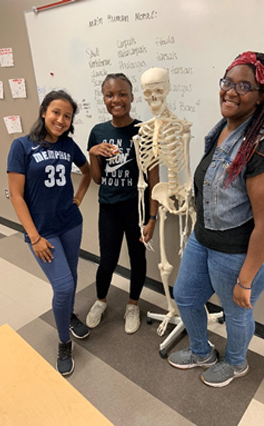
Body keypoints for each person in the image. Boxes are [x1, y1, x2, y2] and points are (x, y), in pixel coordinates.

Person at [168, 51, 264, 387]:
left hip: (243, 249)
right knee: (186, 296)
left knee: (237, 310)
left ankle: (237, 363)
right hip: (206, 237)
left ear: (260, 96)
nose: (231, 91)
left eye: (244, 86)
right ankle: (200, 352)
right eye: (227, 82)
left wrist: (245, 280)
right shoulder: (225, 129)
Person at [7, 90, 91, 376]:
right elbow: (17, 197)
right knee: (64, 286)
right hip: (42, 231)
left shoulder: (68, 145)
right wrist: (34, 237)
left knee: (72, 275)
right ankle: (63, 341)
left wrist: (78, 199)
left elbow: (87, 171)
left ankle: (68, 314)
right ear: (44, 111)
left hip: (70, 223)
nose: (61, 120)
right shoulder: (21, 146)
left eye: (67, 116)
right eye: (56, 112)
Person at [86, 73, 158, 334]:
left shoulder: (145, 131)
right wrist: (93, 154)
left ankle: (132, 305)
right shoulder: (98, 132)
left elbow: (154, 181)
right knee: (107, 260)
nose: (116, 100)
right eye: (110, 95)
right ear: (104, 98)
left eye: (122, 94)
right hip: (109, 207)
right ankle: (100, 300)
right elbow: (97, 178)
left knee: (138, 259)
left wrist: (152, 218)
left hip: (136, 209)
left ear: (131, 96)